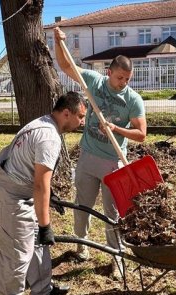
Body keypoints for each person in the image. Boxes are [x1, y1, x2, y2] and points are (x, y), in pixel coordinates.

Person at [54, 27, 147, 279]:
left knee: (112, 213)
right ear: (109, 73)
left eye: (127, 79)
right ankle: (81, 247)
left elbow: (141, 134)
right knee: (81, 206)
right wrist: (57, 41)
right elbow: (66, 66)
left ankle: (116, 256)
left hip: (113, 163)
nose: (123, 83)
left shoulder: (133, 100)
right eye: (119, 78)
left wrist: (117, 129)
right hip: (87, 158)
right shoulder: (94, 82)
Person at [0, 91, 86, 295]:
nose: (82, 122)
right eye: (80, 116)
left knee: (38, 245)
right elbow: (41, 183)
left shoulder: (42, 123)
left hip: (19, 190)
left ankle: (42, 290)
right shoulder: (49, 137)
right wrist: (45, 225)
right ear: (66, 113)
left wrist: (48, 198)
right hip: (10, 196)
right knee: (17, 253)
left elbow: (32, 172)